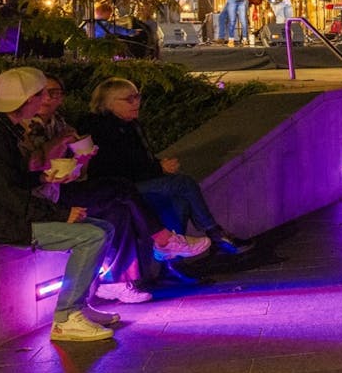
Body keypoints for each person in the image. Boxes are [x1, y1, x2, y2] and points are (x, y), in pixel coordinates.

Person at [0, 67, 117, 342]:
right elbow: (3, 195)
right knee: (92, 236)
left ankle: (78, 305)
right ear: (29, 99)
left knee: (105, 229)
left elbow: (8, 181)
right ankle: (66, 317)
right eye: (41, 94)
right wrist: (59, 213)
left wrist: (42, 177)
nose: (45, 101)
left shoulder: (1, 129)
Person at [25, 76, 211, 303]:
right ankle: (168, 240)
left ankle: (115, 282)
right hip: (40, 196)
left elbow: (78, 170)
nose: (48, 98)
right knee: (136, 188)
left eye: (55, 93)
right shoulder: (29, 126)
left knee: (121, 209)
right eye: (42, 92)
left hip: (63, 187)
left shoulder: (62, 124)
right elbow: (35, 166)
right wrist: (61, 142)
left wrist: (83, 159)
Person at [80, 78, 253, 255]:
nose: (136, 103)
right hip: (118, 188)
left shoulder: (130, 124)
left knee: (180, 202)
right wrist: (158, 168)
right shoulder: (103, 129)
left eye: (137, 96)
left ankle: (171, 260)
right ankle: (215, 234)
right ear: (108, 104)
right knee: (183, 183)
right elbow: (117, 167)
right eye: (129, 99)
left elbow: (139, 159)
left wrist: (158, 165)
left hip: (135, 181)